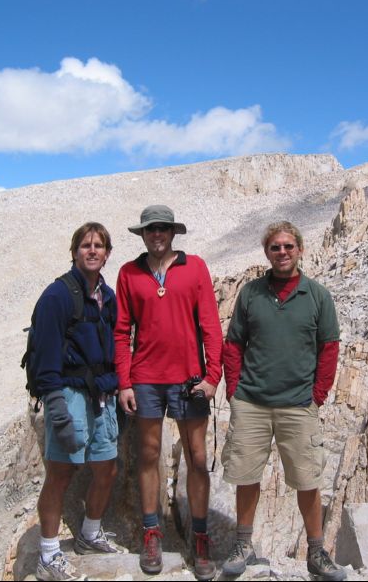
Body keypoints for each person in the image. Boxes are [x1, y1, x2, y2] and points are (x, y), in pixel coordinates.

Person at [220, 221, 346, 582]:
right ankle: (243, 545)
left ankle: (317, 552)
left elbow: (329, 348)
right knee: (246, 475)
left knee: (308, 479)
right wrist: (235, 392)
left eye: (289, 246)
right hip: (252, 403)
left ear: (301, 249)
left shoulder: (318, 295)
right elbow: (233, 345)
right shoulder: (251, 294)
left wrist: (317, 396)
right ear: (267, 252)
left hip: (298, 405)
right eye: (275, 247)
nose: (283, 252)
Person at [114, 205, 223, 581]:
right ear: (142, 234)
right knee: (147, 453)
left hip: (189, 378)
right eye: (150, 229)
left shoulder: (195, 268)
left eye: (162, 228)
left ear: (172, 232)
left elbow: (210, 323)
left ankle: (200, 536)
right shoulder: (129, 272)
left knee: (196, 456)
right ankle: (152, 532)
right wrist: (124, 381)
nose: (156, 234)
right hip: (145, 378)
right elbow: (121, 329)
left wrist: (213, 376)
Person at [31, 222, 124, 581]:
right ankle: (48, 556)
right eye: (85, 245)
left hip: (102, 395)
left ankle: (89, 534)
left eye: (99, 245)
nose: (92, 250)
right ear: (74, 252)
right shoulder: (57, 296)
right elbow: (45, 354)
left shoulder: (108, 296)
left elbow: (116, 344)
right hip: (69, 394)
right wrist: (55, 405)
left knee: (107, 468)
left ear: (107, 253)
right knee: (60, 472)